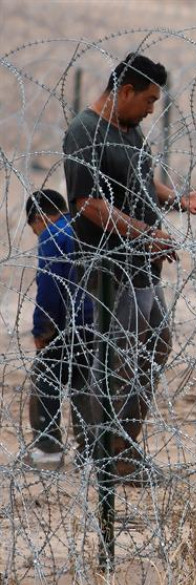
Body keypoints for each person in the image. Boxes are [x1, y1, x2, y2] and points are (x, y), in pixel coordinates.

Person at [63, 53, 196, 482]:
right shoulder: (84, 133)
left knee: (154, 347)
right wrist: (144, 234)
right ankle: (106, 455)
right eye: (148, 99)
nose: (152, 108)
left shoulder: (129, 130)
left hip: (142, 266)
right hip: (110, 267)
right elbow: (89, 204)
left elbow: (141, 180)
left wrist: (178, 200)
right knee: (116, 357)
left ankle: (120, 446)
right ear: (124, 90)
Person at [24, 189, 94, 469]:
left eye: (34, 228)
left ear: (39, 218)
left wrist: (43, 330)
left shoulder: (52, 235)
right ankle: (90, 453)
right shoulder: (80, 227)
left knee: (46, 380)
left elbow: (50, 290)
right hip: (96, 321)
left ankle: (47, 450)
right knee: (84, 384)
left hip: (70, 323)